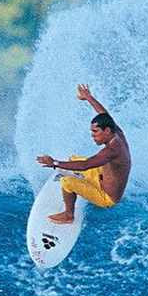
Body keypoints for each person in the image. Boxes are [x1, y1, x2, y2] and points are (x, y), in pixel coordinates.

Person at [35, 84, 132, 224]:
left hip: (106, 195)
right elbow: (104, 115)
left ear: (107, 131)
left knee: (67, 181)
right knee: (74, 159)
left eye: (95, 132)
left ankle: (68, 215)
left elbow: (86, 165)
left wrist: (54, 163)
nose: (93, 136)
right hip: (101, 175)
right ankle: (79, 184)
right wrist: (88, 97)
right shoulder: (116, 132)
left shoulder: (112, 151)